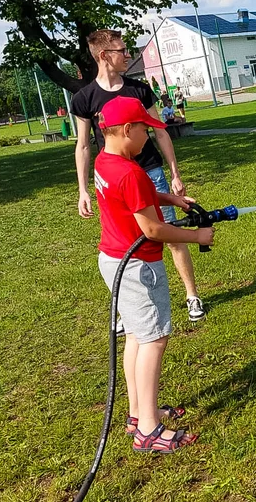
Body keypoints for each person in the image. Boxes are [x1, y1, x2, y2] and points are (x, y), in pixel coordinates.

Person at [93, 96, 212, 452]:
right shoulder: (130, 172)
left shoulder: (107, 162)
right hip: (139, 268)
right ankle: (149, 430)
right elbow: (153, 231)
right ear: (127, 130)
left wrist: (170, 200)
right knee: (155, 338)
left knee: (136, 336)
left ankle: (137, 413)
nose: (148, 137)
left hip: (113, 261)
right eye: (145, 130)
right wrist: (196, 236)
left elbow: (135, 198)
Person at [71, 29, 206, 323]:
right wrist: (83, 189)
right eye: (122, 50)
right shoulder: (84, 98)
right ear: (104, 56)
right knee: (124, 241)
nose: (128, 55)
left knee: (169, 233)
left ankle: (191, 295)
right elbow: (83, 144)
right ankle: (130, 307)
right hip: (116, 178)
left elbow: (159, 130)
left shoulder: (139, 89)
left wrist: (174, 173)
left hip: (150, 173)